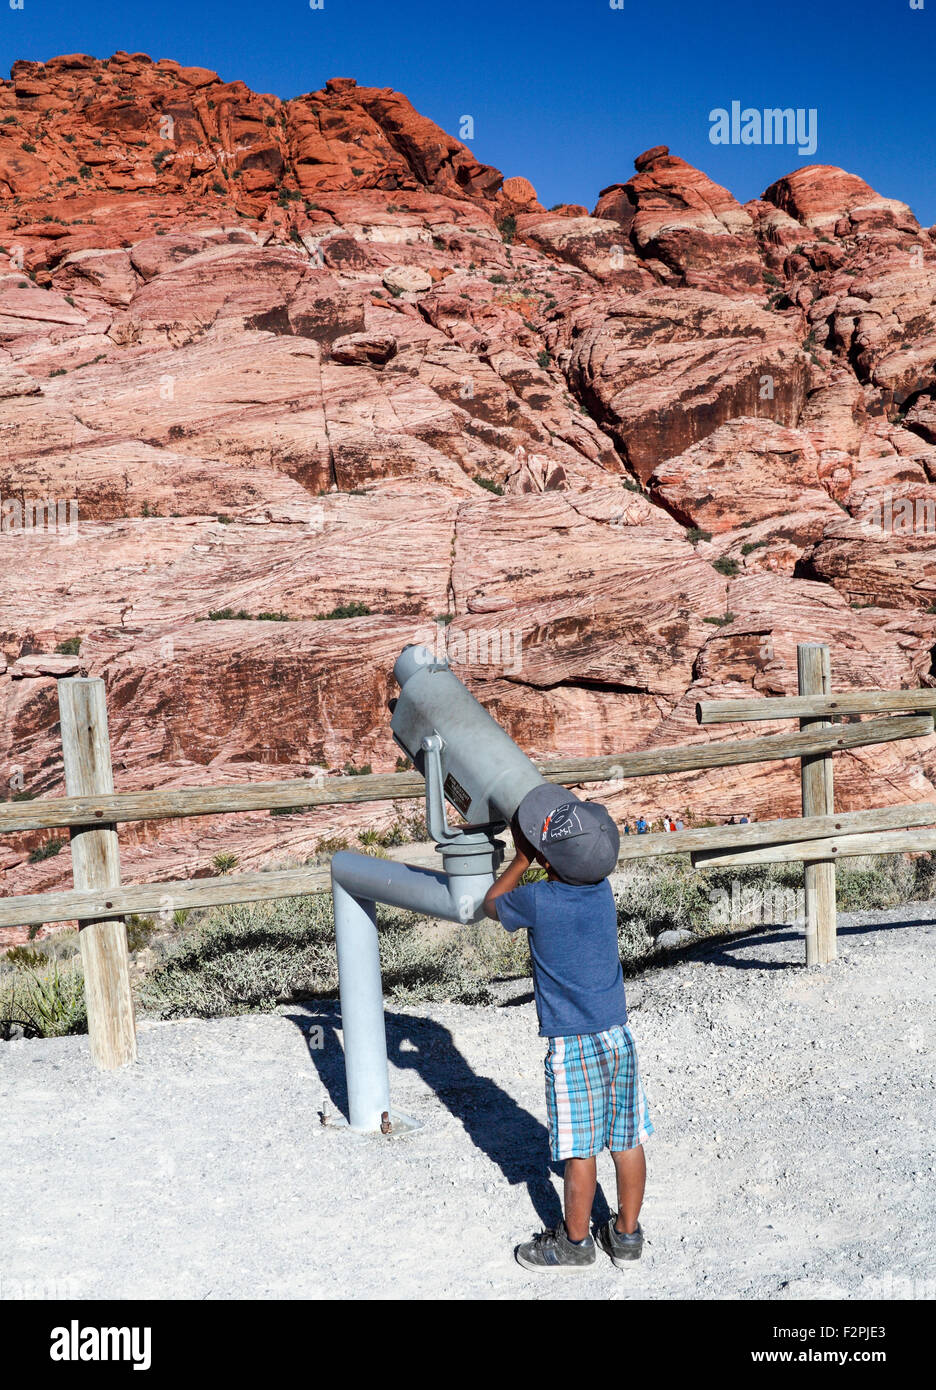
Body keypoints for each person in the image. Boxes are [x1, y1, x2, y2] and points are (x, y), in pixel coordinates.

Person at [483, 787, 653, 1272]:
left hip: (572, 1045)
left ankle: (575, 1244)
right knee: (627, 1140)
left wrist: (520, 860)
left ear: (546, 858)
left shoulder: (537, 899)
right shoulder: (601, 891)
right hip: (617, 1036)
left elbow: (491, 905)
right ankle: (626, 1237)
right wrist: (545, 856)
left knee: (580, 1151)